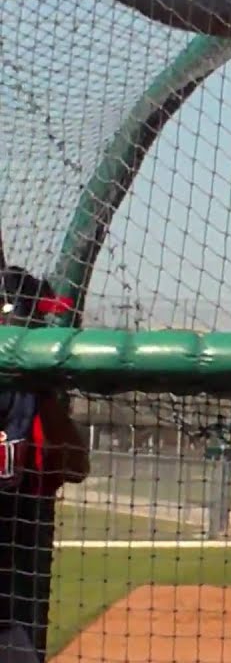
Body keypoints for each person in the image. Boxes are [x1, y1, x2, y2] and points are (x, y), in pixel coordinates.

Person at [0, 268, 86, 662]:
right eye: (39, 318)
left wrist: (44, 392)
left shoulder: (29, 400)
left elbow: (75, 464)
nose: (46, 330)